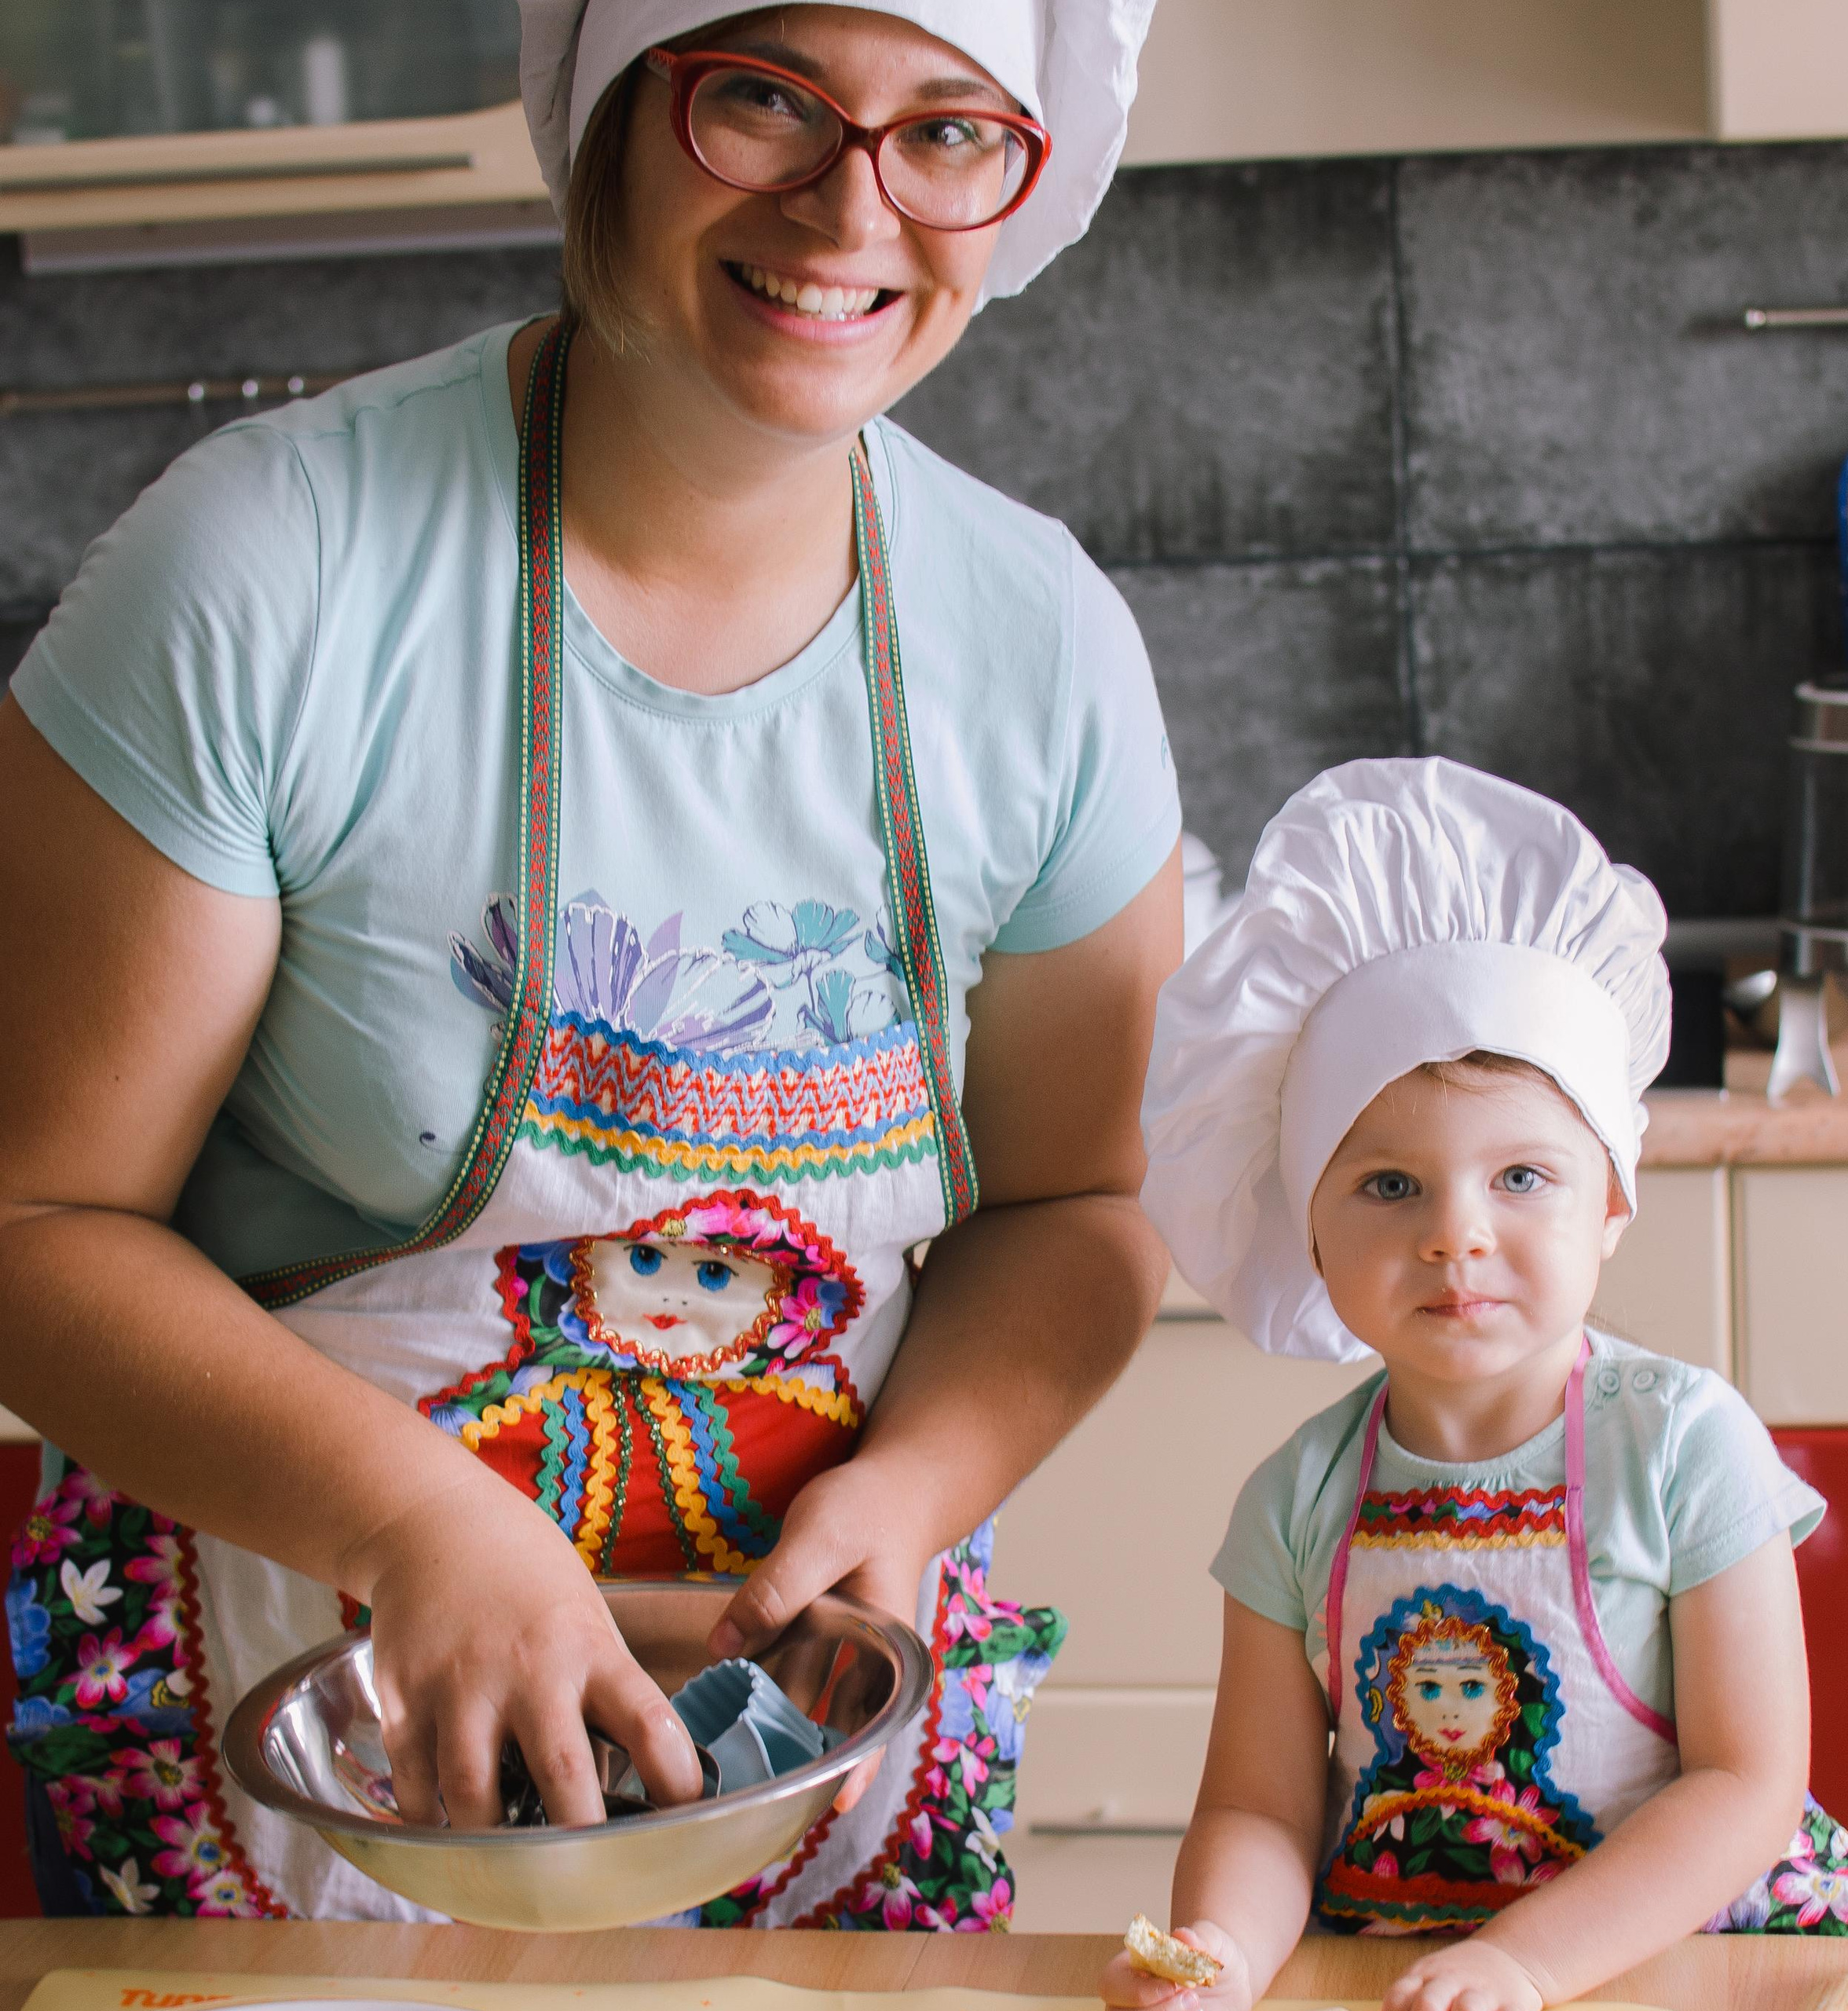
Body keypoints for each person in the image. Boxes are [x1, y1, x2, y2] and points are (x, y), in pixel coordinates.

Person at [0, 0, 1179, 1926]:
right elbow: (33, 1220)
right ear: (617, 116)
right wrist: (414, 1519)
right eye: (767, 102)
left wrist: (908, 1493)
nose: (845, 208)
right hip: (309, 1697)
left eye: (948, 131)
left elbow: (1073, 1203)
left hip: (802, 1727)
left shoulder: (1039, 642)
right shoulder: (269, 568)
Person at [1103, 761, 1848, 2011]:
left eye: (1521, 1177)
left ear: (1613, 1204)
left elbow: (1746, 1786)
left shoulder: (1687, 1449)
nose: (1455, 1234)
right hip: (1413, 1978)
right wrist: (1223, 1950)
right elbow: (1261, 1809)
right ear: (1306, 1231)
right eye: (1388, 1186)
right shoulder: (1294, 1505)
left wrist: (1524, 1962)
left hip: (1682, 1963)